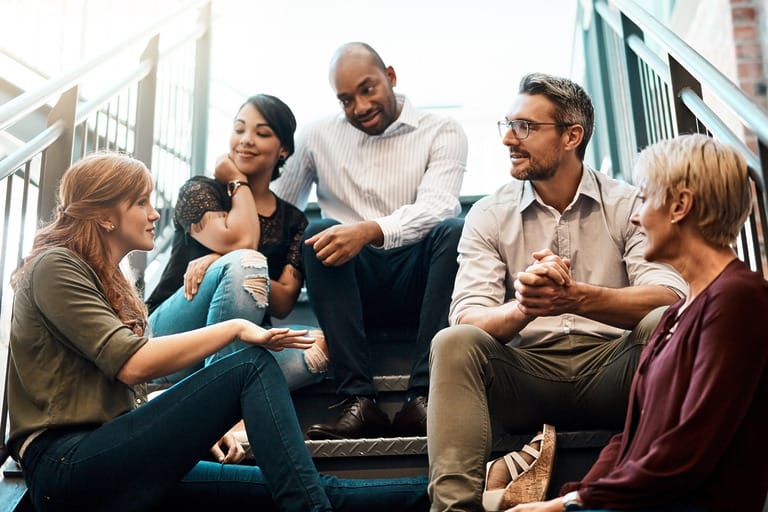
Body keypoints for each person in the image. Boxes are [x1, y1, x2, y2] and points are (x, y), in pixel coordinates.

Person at [6, 152, 429, 512]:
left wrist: (197, 424)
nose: (155, 214)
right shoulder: (56, 265)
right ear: (103, 215)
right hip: (68, 463)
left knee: (302, 487)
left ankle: (449, 495)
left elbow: (127, 398)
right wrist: (235, 327)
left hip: (113, 457)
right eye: (140, 202)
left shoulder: (106, 280)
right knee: (250, 367)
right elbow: (132, 363)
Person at [427, 73, 688, 512]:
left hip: (615, 372)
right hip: (525, 376)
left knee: (662, 324)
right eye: (508, 125)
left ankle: (667, 492)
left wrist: (577, 298)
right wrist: (525, 308)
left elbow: (671, 297)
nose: (508, 138)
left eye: (525, 127)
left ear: (572, 136)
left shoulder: (628, 205)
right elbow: (468, 316)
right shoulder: (488, 214)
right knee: (453, 342)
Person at [508, 134, 768, 511]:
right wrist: (571, 499)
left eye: (644, 199)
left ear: (680, 205)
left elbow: (690, 448)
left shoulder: (739, 299)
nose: (635, 215)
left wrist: (570, 503)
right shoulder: (677, 313)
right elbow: (628, 439)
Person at [273, 42, 469, 439]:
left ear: (390, 77)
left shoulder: (442, 130)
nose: (360, 107)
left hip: (419, 288)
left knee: (454, 230)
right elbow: (278, 212)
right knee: (316, 233)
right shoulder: (316, 136)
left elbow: (438, 206)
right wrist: (219, 249)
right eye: (346, 99)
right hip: (353, 296)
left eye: (368, 89)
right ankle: (357, 400)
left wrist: (368, 230)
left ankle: (424, 397)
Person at [146, 94, 328, 390]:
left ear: (283, 149)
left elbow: (283, 302)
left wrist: (219, 262)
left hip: (244, 340)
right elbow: (242, 242)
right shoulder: (200, 191)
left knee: (323, 344)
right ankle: (225, 397)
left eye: (262, 133)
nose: (246, 140)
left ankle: (210, 388)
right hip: (170, 338)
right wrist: (237, 181)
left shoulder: (294, 220)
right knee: (245, 262)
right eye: (239, 129)